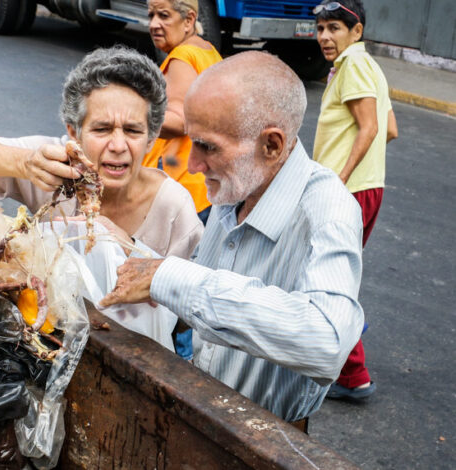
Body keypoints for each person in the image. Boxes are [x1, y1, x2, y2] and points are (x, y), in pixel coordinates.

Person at [101, 51, 365, 429]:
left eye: (207, 147)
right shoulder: (238, 187)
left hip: (265, 438)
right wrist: (130, 253)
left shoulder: (328, 209)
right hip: (202, 412)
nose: (193, 164)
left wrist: (167, 278)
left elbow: (327, 339)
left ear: (271, 145)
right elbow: (203, 285)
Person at [0, 45, 203, 262]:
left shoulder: (173, 206)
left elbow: (191, 303)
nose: (118, 145)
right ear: (74, 132)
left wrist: (132, 249)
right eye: (102, 129)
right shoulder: (55, 165)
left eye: (133, 131)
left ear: (151, 139)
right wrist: (24, 163)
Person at [312, 0, 398, 401]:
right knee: (331, 273)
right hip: (364, 188)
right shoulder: (365, 67)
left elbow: (371, 127)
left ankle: (353, 375)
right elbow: (390, 130)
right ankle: (347, 357)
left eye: (335, 28)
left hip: (350, 190)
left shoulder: (356, 66)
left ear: (356, 31)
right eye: (321, 28)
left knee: (328, 277)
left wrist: (339, 179)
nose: (326, 37)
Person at [145, 0, 222, 225]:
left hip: (180, 185)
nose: (154, 24)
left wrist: (133, 115)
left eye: (164, 16)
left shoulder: (182, 57)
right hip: (203, 184)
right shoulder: (207, 51)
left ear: (188, 20)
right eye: (151, 16)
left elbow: (179, 121)